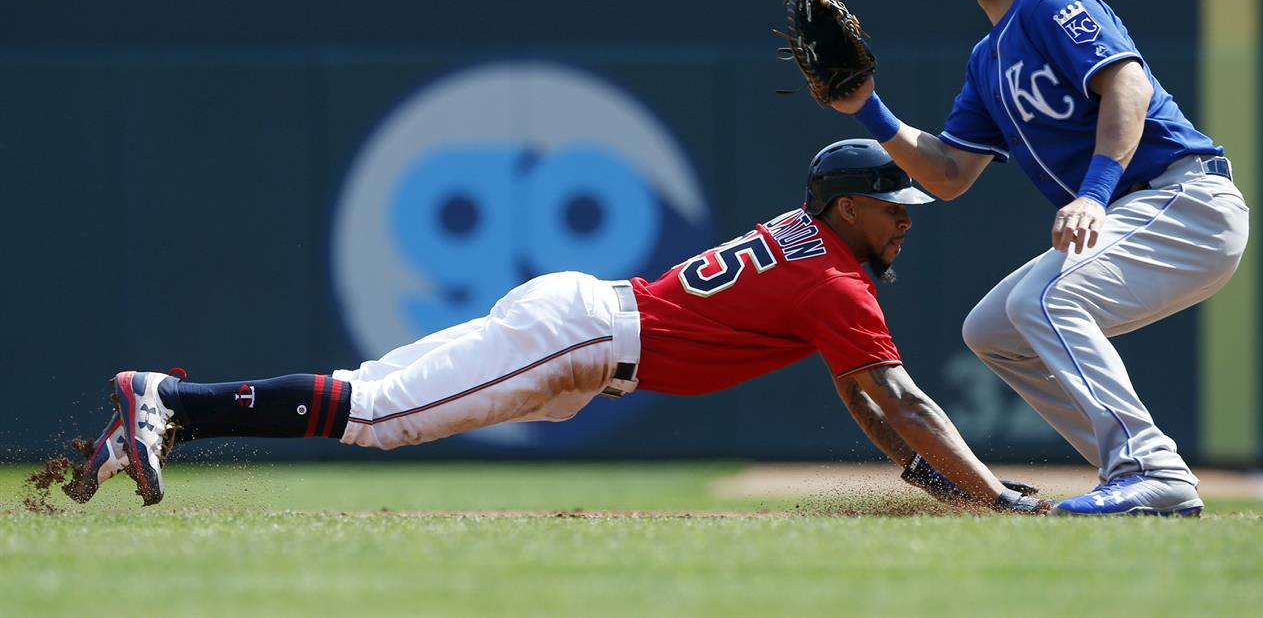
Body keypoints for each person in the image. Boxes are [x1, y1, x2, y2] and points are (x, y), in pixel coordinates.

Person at [67, 140, 1046, 514]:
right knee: (373, 411)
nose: (904, 221)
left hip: (582, 338)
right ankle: (169, 401)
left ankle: (172, 412)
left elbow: (862, 396)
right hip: (581, 338)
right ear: (844, 208)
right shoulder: (835, 278)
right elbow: (897, 396)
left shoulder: (811, 246)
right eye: (893, 207)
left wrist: (924, 476)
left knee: (372, 395)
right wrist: (988, 496)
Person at [834, 0, 1249, 516]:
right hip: (1148, 209)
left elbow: (1129, 89)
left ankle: (1151, 468)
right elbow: (947, 175)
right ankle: (1131, 472)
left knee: (1044, 298)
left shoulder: (1052, 5)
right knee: (994, 331)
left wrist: (1094, 195)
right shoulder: (987, 58)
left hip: (1184, 199)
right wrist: (868, 110)